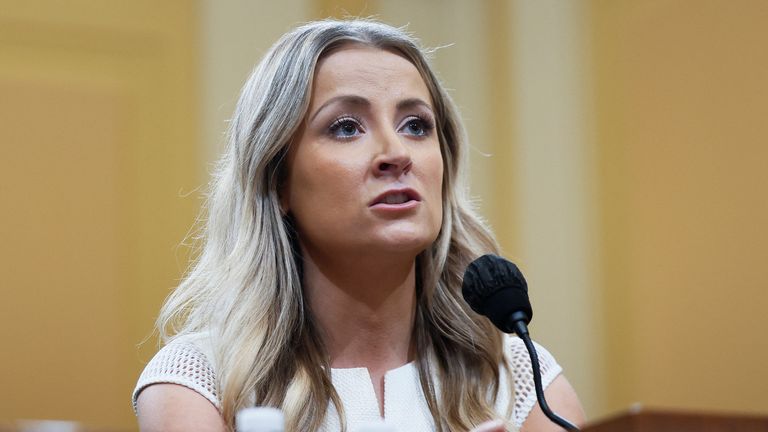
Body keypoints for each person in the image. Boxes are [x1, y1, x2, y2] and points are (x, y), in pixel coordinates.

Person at [133, 19, 584, 432]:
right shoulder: (202, 380)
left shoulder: (520, 381)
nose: (396, 153)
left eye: (416, 125)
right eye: (346, 127)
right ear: (279, 180)